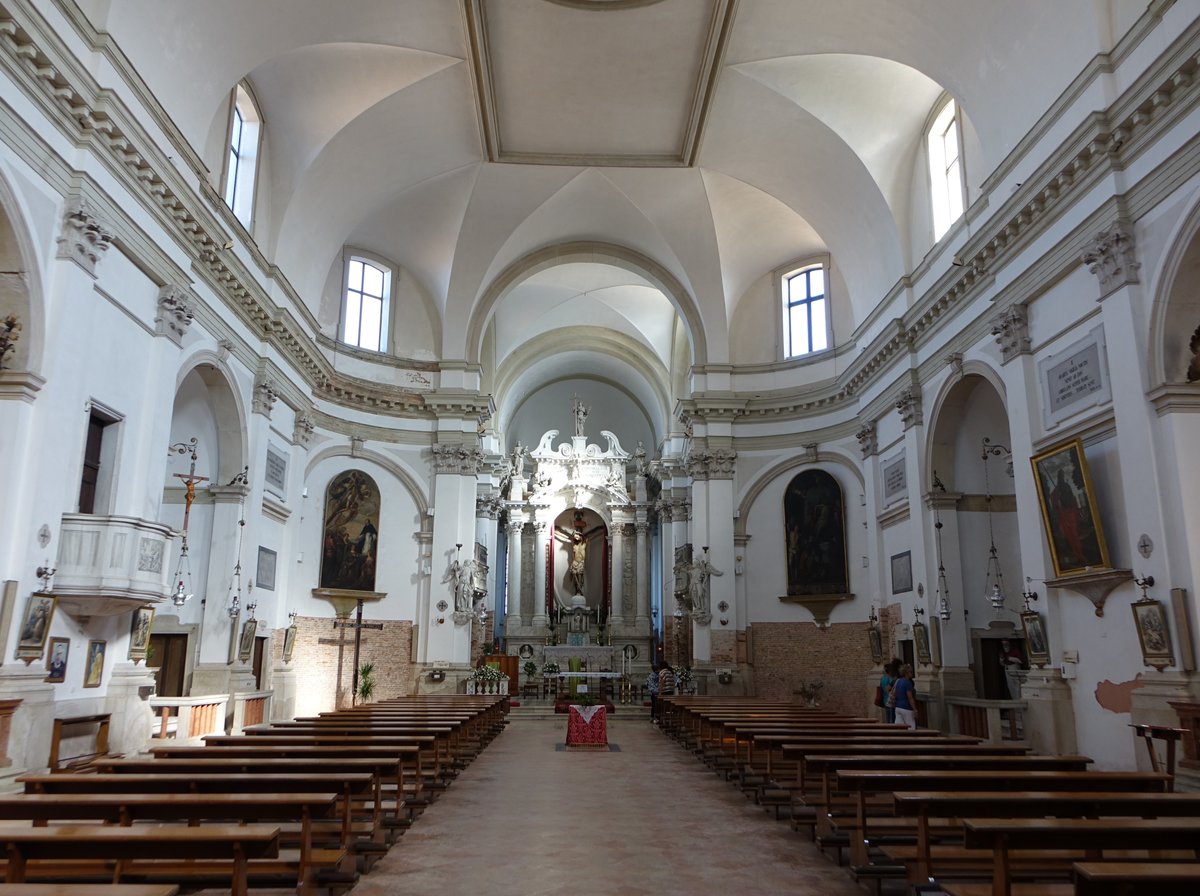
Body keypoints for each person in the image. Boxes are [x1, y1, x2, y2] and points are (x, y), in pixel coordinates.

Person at [892, 663, 918, 729]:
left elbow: (895, 694)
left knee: (899, 729)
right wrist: (914, 709)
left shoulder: (898, 681)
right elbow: (910, 698)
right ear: (906, 673)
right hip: (906, 708)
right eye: (910, 672)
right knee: (911, 727)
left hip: (898, 707)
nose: (912, 673)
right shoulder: (908, 683)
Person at [880, 658, 901, 724]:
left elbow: (881, 688)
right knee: (892, 719)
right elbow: (890, 688)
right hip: (891, 701)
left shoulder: (882, 679)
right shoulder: (890, 679)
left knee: (888, 718)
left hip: (885, 700)